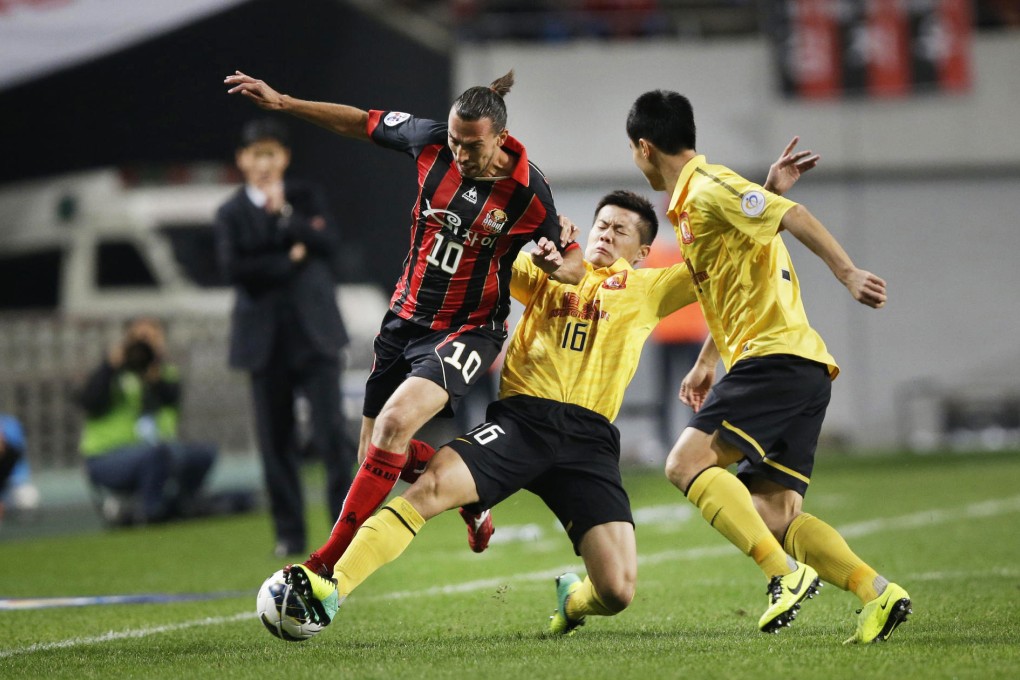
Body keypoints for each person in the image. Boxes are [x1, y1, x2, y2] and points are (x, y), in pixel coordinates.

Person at [273, 139, 811, 633]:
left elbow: (727, 253)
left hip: (589, 442)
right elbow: (493, 256)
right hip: (521, 424)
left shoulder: (650, 289)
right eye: (602, 224)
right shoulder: (543, 270)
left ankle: (571, 601)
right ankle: (331, 588)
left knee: (618, 590)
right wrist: (535, 244)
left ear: (644, 252)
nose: (606, 233)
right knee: (430, 490)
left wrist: (766, 195)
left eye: (621, 230)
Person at [224, 69, 585, 576]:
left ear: (501, 138)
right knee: (371, 450)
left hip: (470, 328)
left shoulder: (530, 193)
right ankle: (470, 496)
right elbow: (359, 122)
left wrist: (554, 265)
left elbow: (575, 263)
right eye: (456, 142)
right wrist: (285, 102)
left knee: (394, 425)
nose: (460, 154)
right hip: (405, 318)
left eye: (473, 147)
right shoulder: (430, 140)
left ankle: (322, 564)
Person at [626, 90, 911, 643]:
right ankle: (876, 592)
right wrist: (709, 361)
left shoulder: (708, 187)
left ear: (644, 147)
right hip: (801, 368)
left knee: (684, 464)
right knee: (774, 514)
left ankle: (783, 577)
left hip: (774, 360)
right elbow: (735, 276)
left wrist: (847, 272)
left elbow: (793, 214)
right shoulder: (702, 205)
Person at [214, 118, 352, 557]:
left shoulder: (305, 196)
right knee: (277, 443)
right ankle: (289, 534)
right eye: (256, 154)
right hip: (264, 342)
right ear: (241, 159)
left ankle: (343, 531)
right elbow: (236, 271)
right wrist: (291, 258)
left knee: (333, 437)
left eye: (271, 154)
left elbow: (330, 241)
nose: (263, 163)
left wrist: (287, 218)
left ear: (285, 158)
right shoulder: (230, 213)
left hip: (316, 335)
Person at [77, 318, 218, 525]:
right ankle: (151, 512)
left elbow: (170, 397)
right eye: (138, 339)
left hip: (155, 450)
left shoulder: (165, 372)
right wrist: (110, 367)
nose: (144, 346)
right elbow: (90, 400)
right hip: (107, 456)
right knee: (157, 454)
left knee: (203, 453)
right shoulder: (109, 372)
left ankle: (183, 504)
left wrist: (152, 372)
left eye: (151, 339)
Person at [642, 236, 707, 452]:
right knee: (665, 392)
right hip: (667, 333)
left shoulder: (695, 249)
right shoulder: (657, 252)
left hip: (690, 332)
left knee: (695, 391)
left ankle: (694, 440)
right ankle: (663, 442)